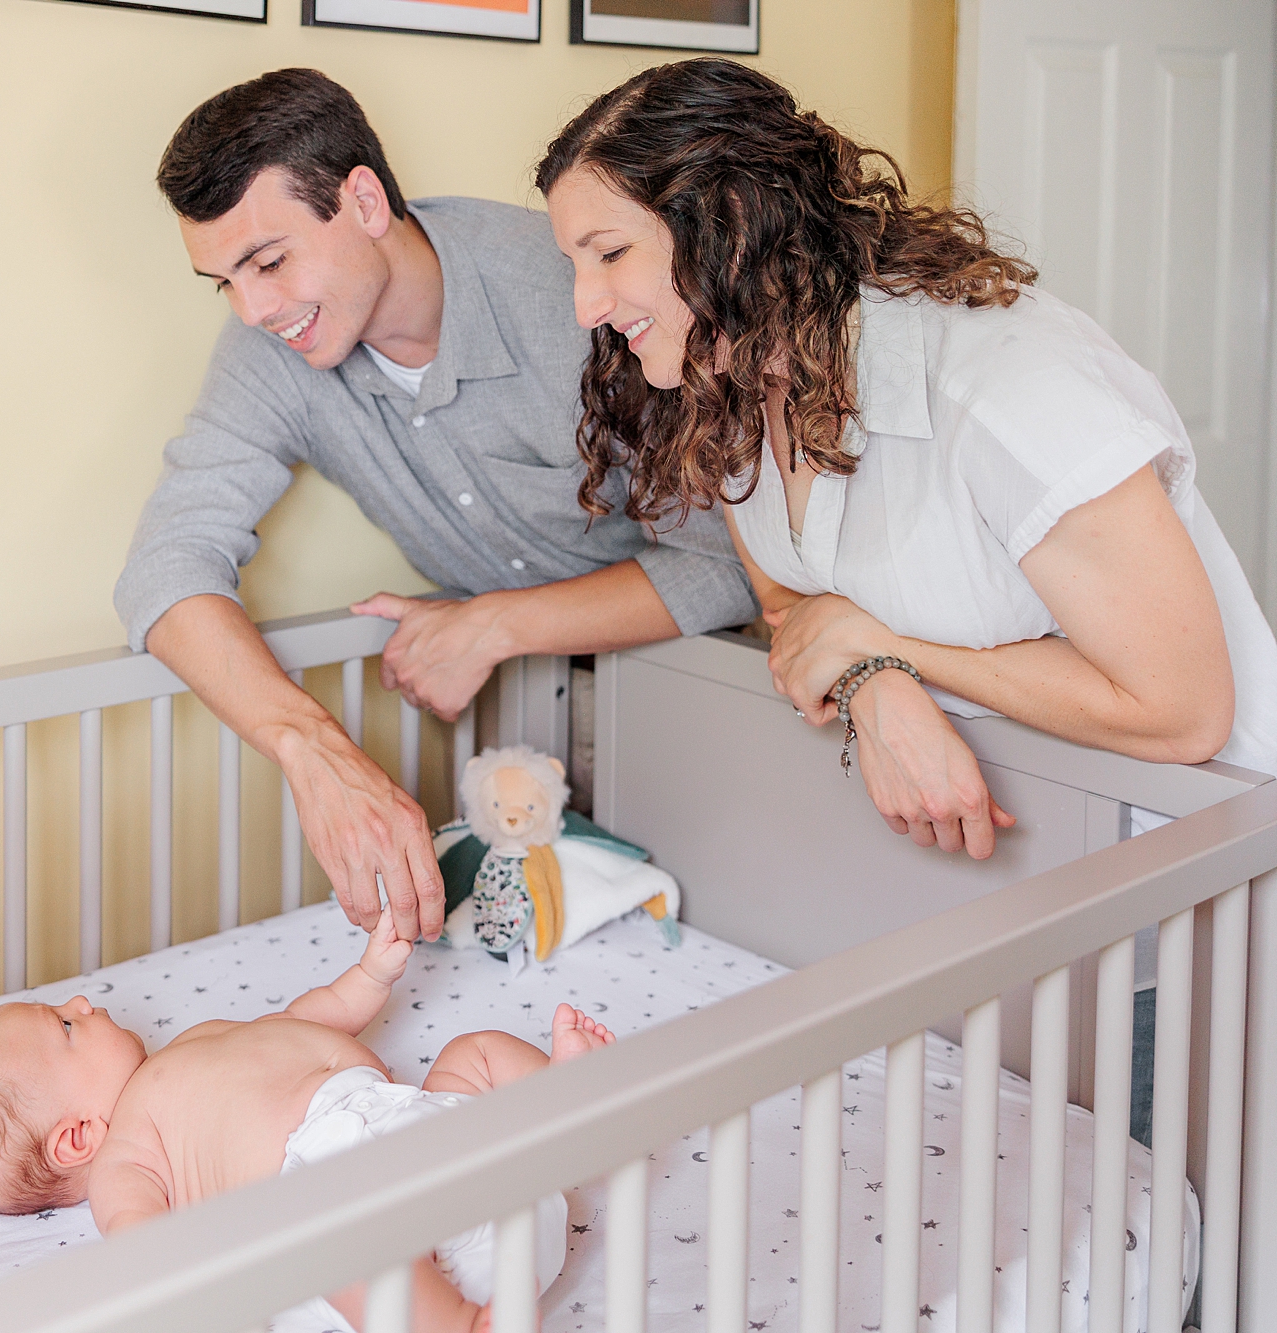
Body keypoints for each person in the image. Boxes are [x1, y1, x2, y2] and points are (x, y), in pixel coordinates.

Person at [532, 58, 1277, 859]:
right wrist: (875, 684)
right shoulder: (731, 384)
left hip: (1181, 853)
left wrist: (890, 654)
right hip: (988, 862)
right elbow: (794, 601)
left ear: (734, 220)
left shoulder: (1002, 389)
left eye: (608, 254)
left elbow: (1183, 709)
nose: (586, 306)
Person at [117, 69, 756, 941]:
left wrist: (496, 625)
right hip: (540, 733)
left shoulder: (575, 295)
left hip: (712, 693)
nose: (254, 308)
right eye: (223, 280)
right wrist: (315, 752)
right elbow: (165, 567)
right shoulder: (268, 351)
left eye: (268, 261)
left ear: (366, 203)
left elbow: (732, 565)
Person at [0, 912, 607, 1333]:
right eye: (64, 1023)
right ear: (77, 1137)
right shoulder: (128, 1155)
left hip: (431, 1138)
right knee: (338, 1233)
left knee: (471, 1054)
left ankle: (574, 1102)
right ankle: (455, 1324)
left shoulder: (201, 1038)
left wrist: (371, 970)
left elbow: (313, 1015)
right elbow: (152, 1254)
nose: (82, 998)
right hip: (389, 1245)